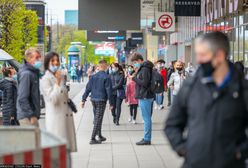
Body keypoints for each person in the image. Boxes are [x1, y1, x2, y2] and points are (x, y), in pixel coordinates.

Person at [165, 31, 248, 168]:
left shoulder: (243, 89)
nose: (199, 60)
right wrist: (184, 148)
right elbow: (172, 125)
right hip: (194, 163)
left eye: (203, 55)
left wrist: (240, 152)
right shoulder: (190, 87)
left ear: (220, 55)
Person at [41, 52, 77, 152]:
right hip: (56, 120)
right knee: (58, 152)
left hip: (65, 118)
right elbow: (53, 100)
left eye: (57, 61)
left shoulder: (60, 77)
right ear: (47, 63)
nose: (56, 63)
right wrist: (57, 82)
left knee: (65, 153)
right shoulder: (46, 79)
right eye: (52, 61)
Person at [81, 60, 113, 145]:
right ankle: (92, 138)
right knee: (98, 119)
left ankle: (99, 135)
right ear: (105, 66)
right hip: (101, 100)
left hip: (93, 100)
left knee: (98, 117)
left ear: (99, 67)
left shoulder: (93, 76)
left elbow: (88, 89)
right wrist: (111, 103)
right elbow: (109, 91)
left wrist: (83, 100)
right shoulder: (107, 77)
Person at [130, 53, 154, 145]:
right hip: (146, 95)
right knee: (146, 117)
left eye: (135, 62)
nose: (135, 64)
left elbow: (144, 83)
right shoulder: (144, 68)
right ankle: (146, 137)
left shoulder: (144, 69)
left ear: (140, 60)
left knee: (146, 118)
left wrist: (134, 78)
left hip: (145, 96)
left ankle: (147, 138)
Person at [17, 48, 42, 126]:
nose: (39, 60)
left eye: (39, 57)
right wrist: (31, 115)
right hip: (27, 117)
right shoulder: (27, 74)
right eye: (37, 58)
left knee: (35, 137)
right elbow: (22, 98)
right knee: (32, 138)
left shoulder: (33, 73)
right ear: (29, 58)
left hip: (30, 115)